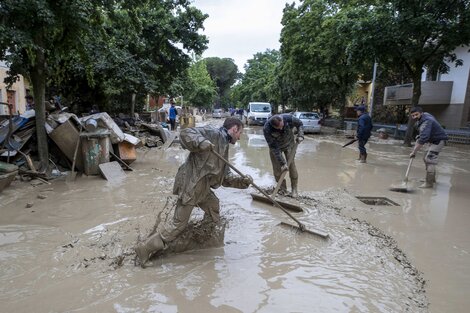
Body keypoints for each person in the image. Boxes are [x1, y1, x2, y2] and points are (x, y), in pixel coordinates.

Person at [135, 117, 253, 268]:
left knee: (213, 206)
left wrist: (243, 182)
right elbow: (185, 133)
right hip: (190, 184)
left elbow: (225, 178)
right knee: (178, 224)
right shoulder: (213, 133)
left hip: (202, 187)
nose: (240, 136)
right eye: (240, 133)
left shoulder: (224, 145)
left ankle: (202, 238)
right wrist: (201, 143)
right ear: (234, 129)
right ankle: (144, 249)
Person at [263, 114, 304, 198]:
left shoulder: (288, 118)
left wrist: (300, 135)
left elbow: (300, 124)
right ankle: (282, 189)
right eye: (278, 128)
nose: (281, 129)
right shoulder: (267, 129)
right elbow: (274, 148)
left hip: (289, 144)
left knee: (291, 166)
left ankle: (294, 190)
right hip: (276, 147)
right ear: (273, 126)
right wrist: (282, 163)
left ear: (282, 120)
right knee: (277, 170)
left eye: (282, 126)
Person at [409, 106, 448, 188]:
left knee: (429, 159)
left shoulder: (426, 122)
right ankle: (431, 179)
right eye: (413, 115)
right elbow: (425, 134)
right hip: (433, 140)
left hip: (439, 141)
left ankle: (429, 183)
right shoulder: (425, 115)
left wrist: (414, 152)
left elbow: (423, 139)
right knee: (425, 157)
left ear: (421, 113)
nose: (414, 117)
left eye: (416, 115)